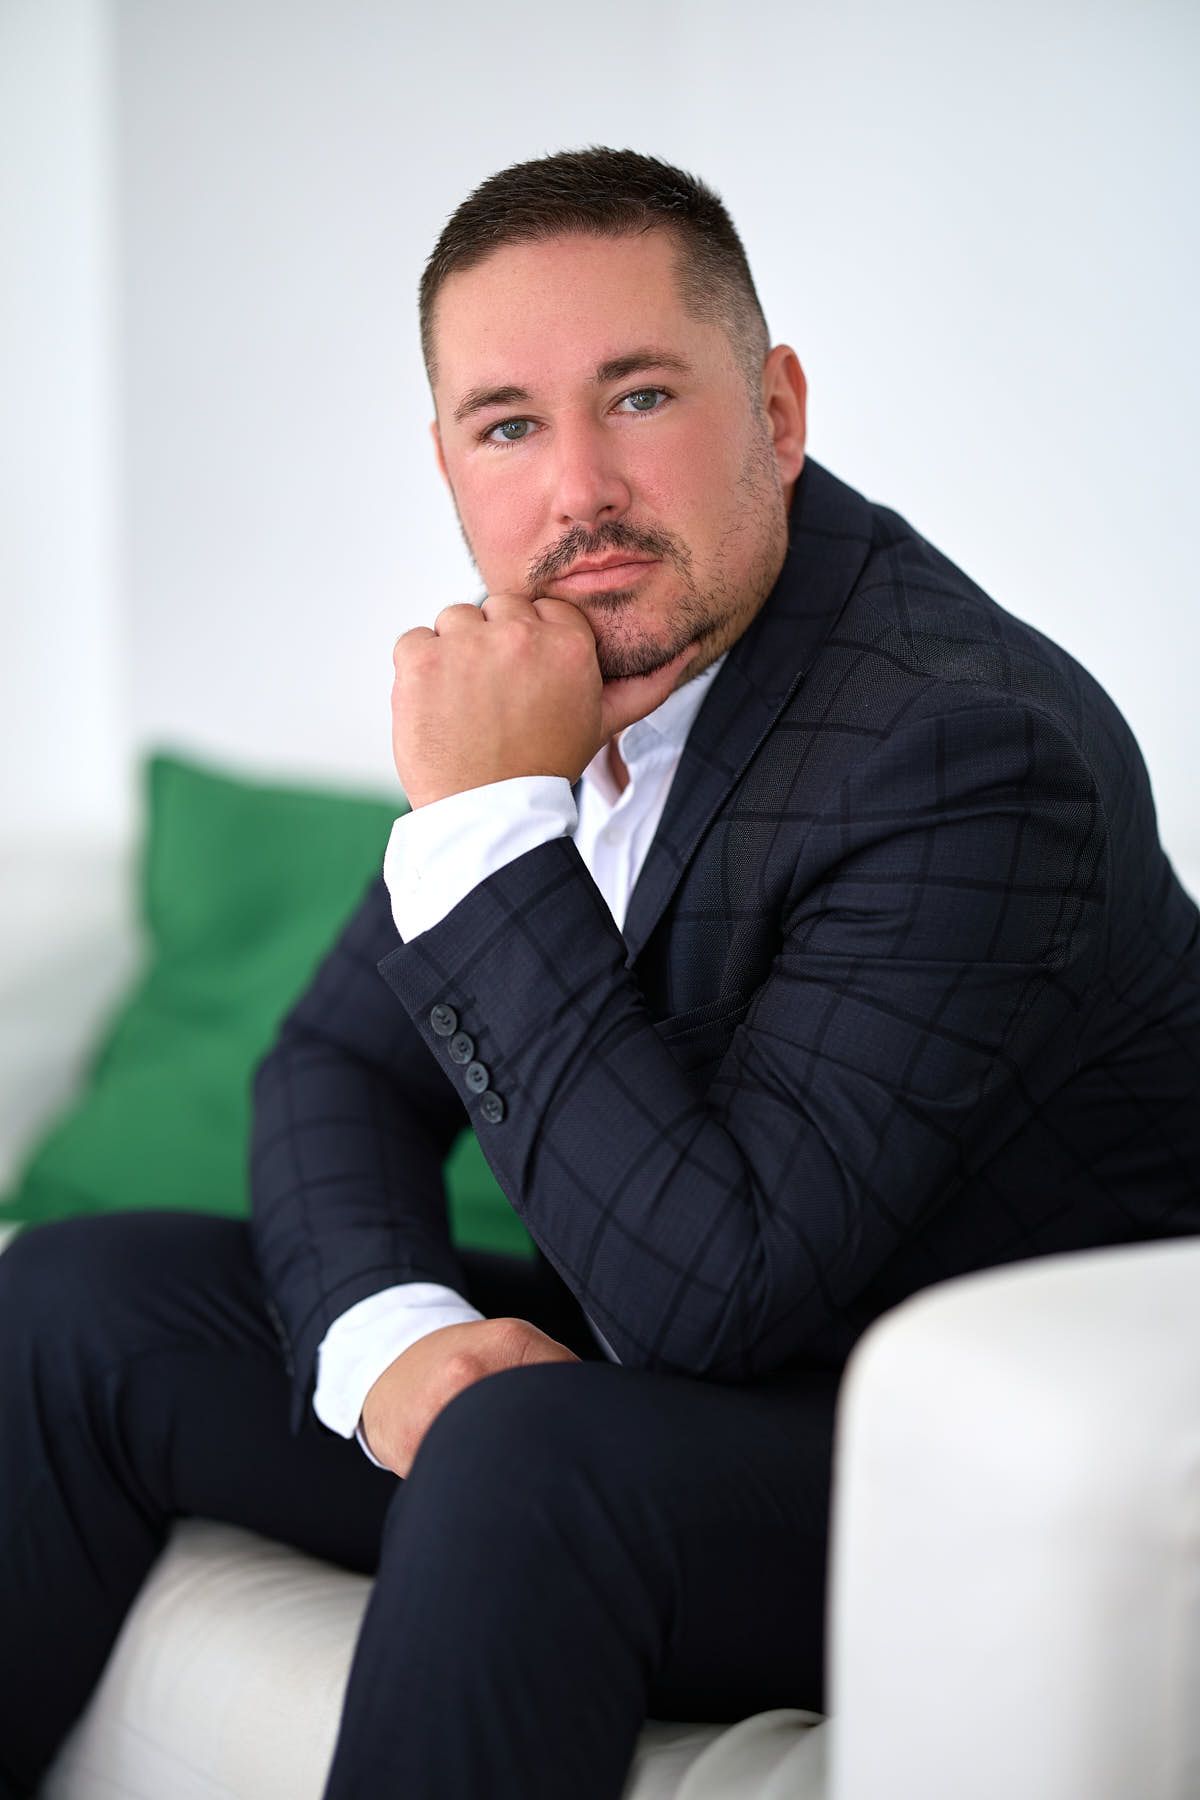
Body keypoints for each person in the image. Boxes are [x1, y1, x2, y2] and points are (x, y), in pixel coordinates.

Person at [2, 146, 1199, 1800]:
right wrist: (396, 1342)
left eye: (639, 397)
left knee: (523, 1452)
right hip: (677, 1374)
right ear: (448, 464)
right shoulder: (566, 677)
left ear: (776, 410)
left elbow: (712, 1297)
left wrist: (492, 825)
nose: (578, 489)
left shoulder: (964, 750)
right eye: (508, 425)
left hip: (970, 1465)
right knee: (71, 1300)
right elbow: (337, 1065)